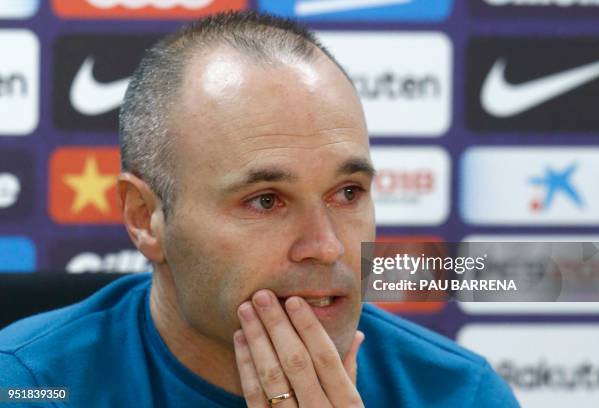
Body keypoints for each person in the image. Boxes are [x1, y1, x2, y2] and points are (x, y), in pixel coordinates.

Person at [0, 11, 519, 407]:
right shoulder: (28, 386)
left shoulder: (458, 393)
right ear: (145, 217)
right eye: (266, 201)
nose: (328, 246)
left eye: (348, 193)